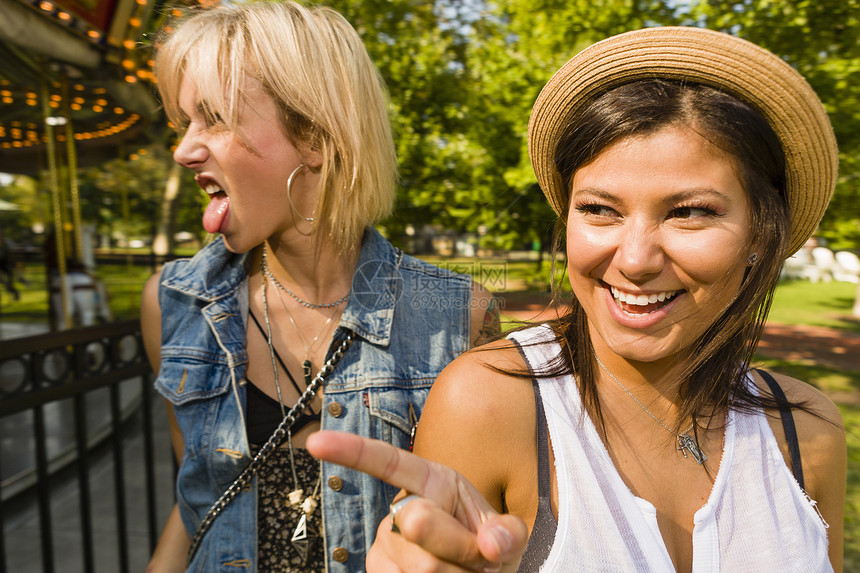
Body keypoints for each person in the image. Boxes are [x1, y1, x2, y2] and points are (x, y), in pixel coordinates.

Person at [307, 26, 847, 572]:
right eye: (599, 209)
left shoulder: (808, 432)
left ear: (759, 234)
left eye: (689, 212)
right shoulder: (490, 404)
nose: (635, 259)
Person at [140, 2, 496, 571]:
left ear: (314, 137)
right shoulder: (175, 302)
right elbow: (196, 507)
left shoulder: (458, 316)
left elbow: (472, 529)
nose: (184, 150)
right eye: (185, 123)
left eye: (213, 118)